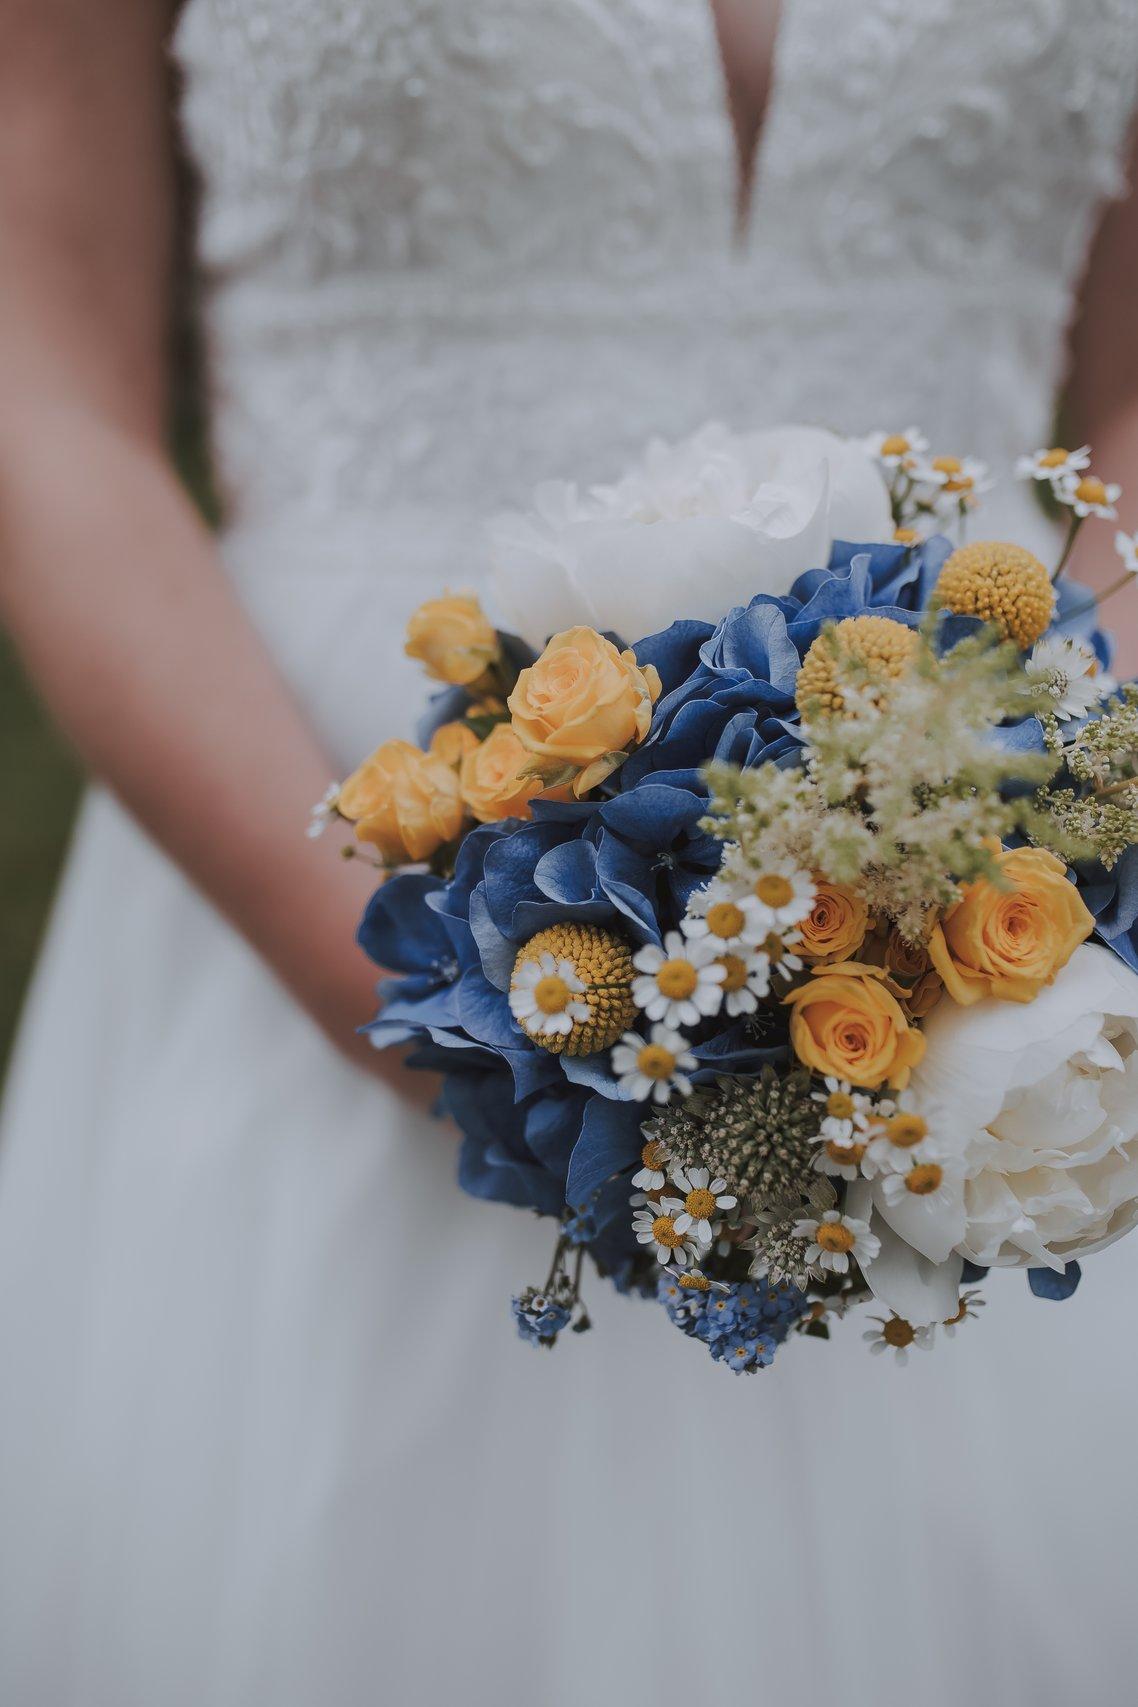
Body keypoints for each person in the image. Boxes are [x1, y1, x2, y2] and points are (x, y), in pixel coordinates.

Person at [1, 4, 1137, 1704]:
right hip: (311, 829)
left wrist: (1024, 810)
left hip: (973, 884)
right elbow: (39, 374)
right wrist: (392, 969)